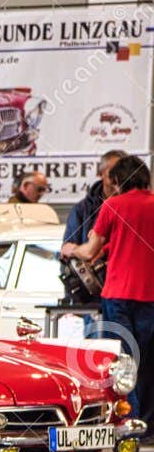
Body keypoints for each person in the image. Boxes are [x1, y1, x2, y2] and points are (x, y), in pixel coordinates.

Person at [61, 155, 154, 429]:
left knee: (123, 360)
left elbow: (88, 252)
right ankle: (147, 425)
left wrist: (71, 249)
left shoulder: (112, 205)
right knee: (147, 361)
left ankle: (128, 424)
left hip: (119, 295)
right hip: (150, 296)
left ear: (116, 179)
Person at [60, 149, 125, 303]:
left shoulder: (133, 208)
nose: (118, 176)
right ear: (101, 173)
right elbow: (67, 252)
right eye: (113, 171)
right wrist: (74, 297)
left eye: (123, 171)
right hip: (92, 296)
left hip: (125, 292)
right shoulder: (82, 210)